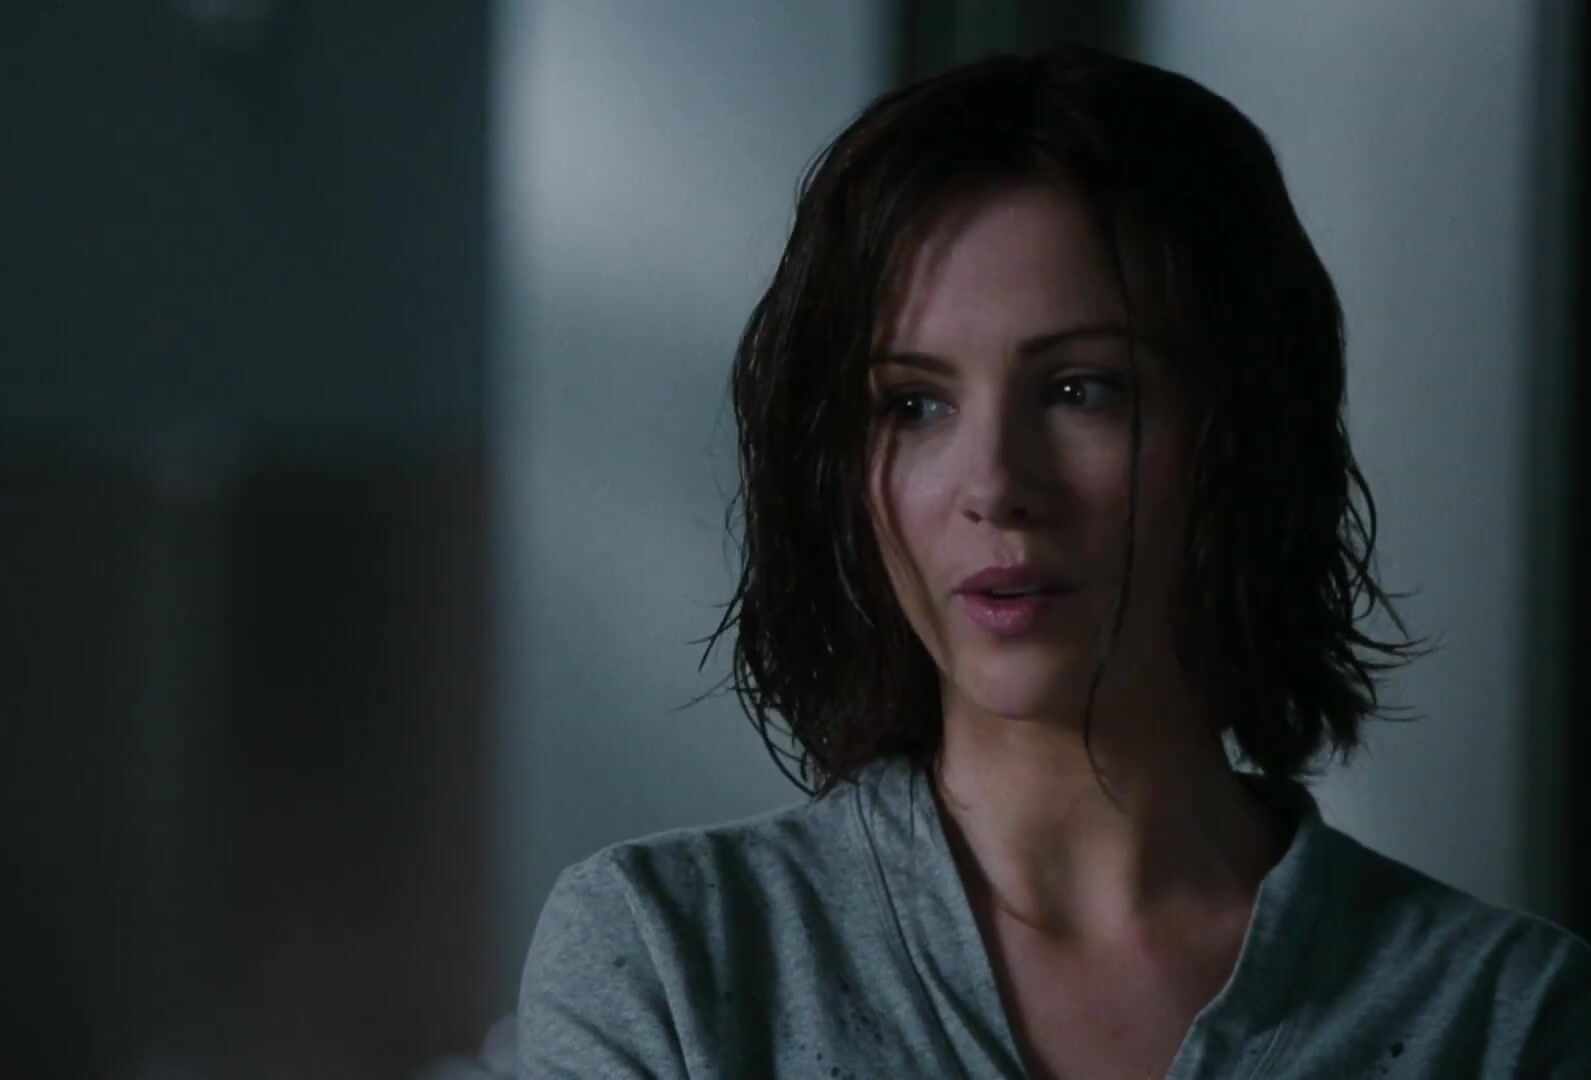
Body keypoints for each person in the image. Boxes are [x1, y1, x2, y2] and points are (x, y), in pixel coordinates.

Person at [514, 45, 1591, 1078]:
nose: (993, 483)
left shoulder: (1498, 1013)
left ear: (1240, 432)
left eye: (1082, 391)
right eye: (914, 405)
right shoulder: (670, 956)